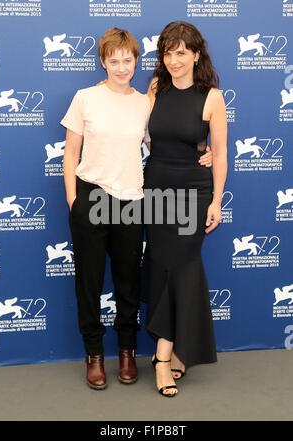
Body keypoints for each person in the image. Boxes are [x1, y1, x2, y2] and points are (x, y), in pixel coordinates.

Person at [61, 27, 213, 391]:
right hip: (91, 197)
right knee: (90, 282)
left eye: (127, 61)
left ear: (136, 62)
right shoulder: (85, 98)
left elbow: (163, 138)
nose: (121, 67)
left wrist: (202, 151)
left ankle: (127, 352)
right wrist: (73, 200)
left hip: (132, 200)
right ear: (103, 62)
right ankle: (94, 354)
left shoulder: (146, 101)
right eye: (113, 61)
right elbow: (70, 154)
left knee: (129, 283)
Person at [142, 21, 228, 397]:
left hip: (193, 193)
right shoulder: (156, 88)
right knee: (165, 270)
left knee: (183, 265)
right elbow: (142, 133)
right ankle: (179, 350)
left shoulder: (211, 97)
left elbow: (222, 154)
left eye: (181, 52)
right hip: (156, 189)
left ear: (196, 54)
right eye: (167, 52)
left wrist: (217, 200)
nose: (174, 60)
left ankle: (163, 359)